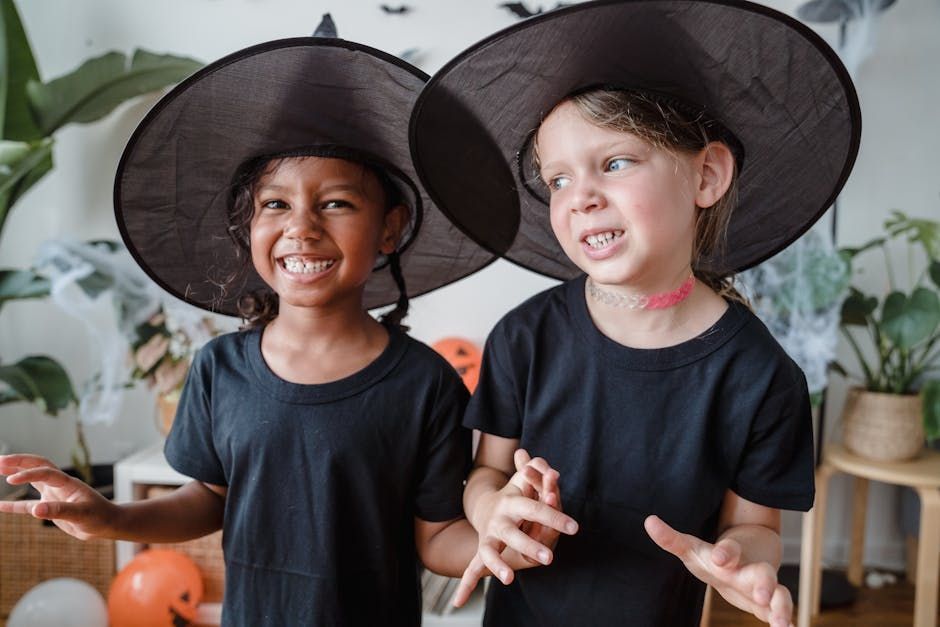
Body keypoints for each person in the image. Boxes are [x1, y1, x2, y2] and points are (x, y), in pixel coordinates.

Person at [0, 38, 570, 626]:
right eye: (274, 204)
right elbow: (208, 501)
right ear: (248, 225)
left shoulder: (426, 383)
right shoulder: (218, 368)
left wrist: (494, 542)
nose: (301, 227)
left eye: (337, 203)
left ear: (389, 228)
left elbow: (436, 538)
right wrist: (110, 516)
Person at [409, 1, 861, 626]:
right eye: (558, 180)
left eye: (615, 163)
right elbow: (486, 473)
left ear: (706, 175)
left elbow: (755, 526)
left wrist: (740, 560)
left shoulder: (760, 377)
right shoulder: (524, 338)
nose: (581, 198)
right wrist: (493, 511)